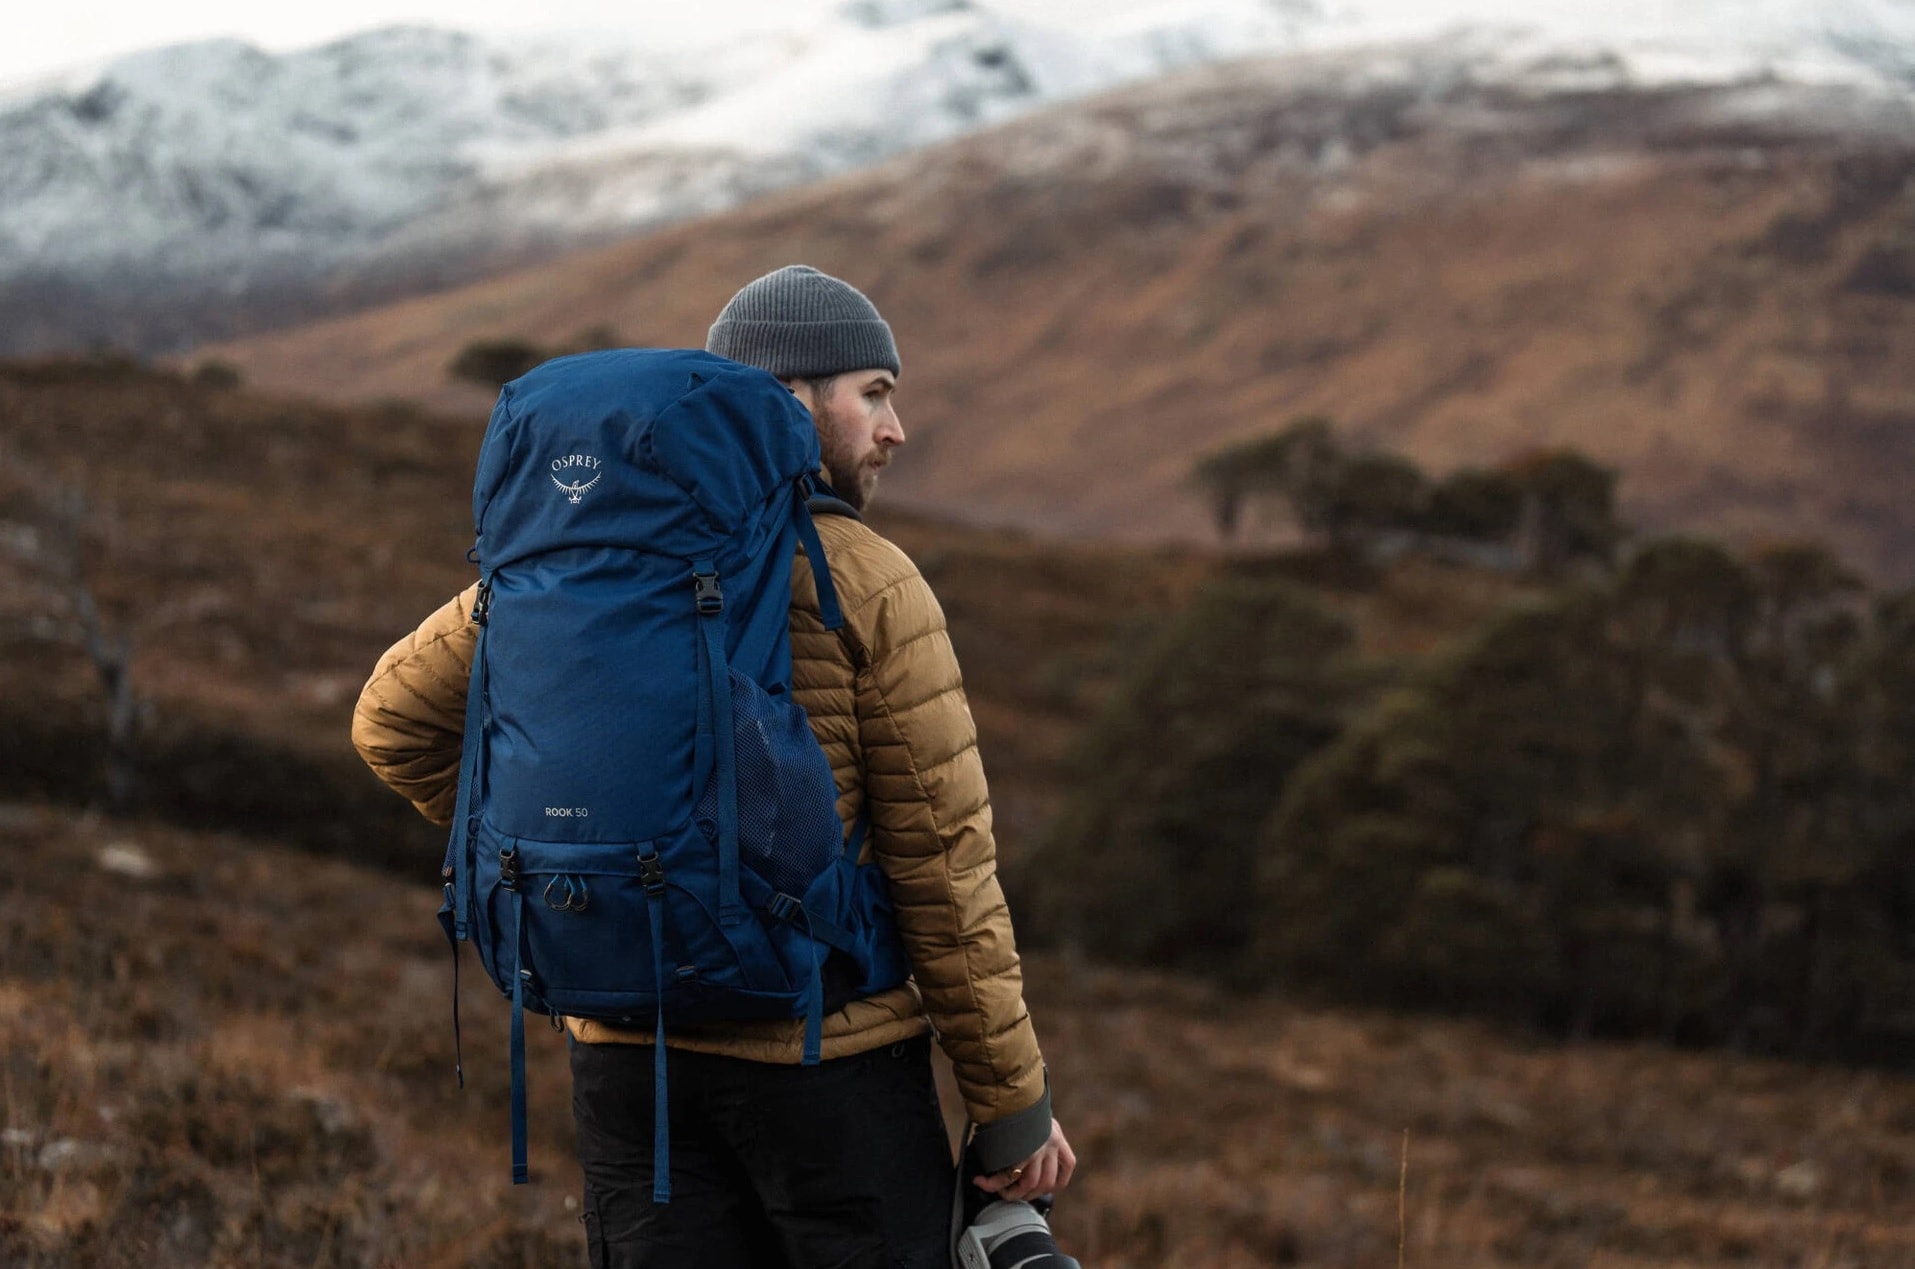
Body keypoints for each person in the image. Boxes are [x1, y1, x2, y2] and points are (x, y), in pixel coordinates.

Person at [352, 264, 1075, 1268]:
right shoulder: (866, 580)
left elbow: (389, 723)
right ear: (790, 399)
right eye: (873, 394)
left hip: (628, 1065)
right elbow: (942, 868)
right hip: (826, 1065)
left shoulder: (570, 574)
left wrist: (582, 851)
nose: (894, 429)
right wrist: (1011, 1106)